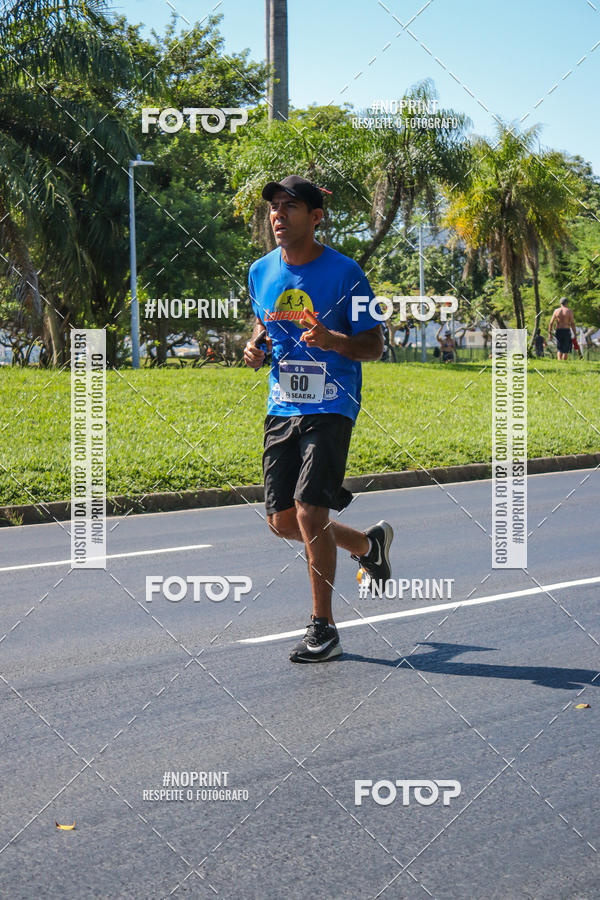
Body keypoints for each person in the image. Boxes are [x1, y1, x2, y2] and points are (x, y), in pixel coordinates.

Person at [244, 175, 394, 664]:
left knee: (310, 512)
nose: (278, 215)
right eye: (274, 207)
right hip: (282, 404)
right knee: (282, 522)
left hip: (332, 402)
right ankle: (367, 545)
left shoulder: (347, 273)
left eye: (290, 206)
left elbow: (374, 345)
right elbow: (265, 326)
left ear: (315, 217)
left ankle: (323, 628)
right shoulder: (259, 271)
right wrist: (255, 347)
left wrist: (333, 341)